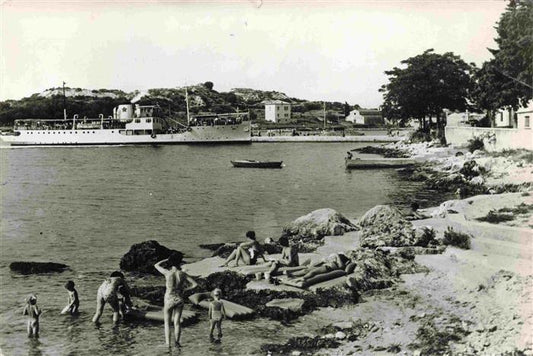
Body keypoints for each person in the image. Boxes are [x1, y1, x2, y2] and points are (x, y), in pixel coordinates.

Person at [155, 252, 198, 348]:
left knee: (167, 323)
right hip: (179, 299)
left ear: (171, 262)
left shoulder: (167, 273)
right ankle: (177, 343)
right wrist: (185, 289)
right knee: (177, 323)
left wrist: (167, 259)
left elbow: (156, 265)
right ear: (180, 262)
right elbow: (195, 284)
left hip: (169, 299)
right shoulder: (182, 274)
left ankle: (168, 344)